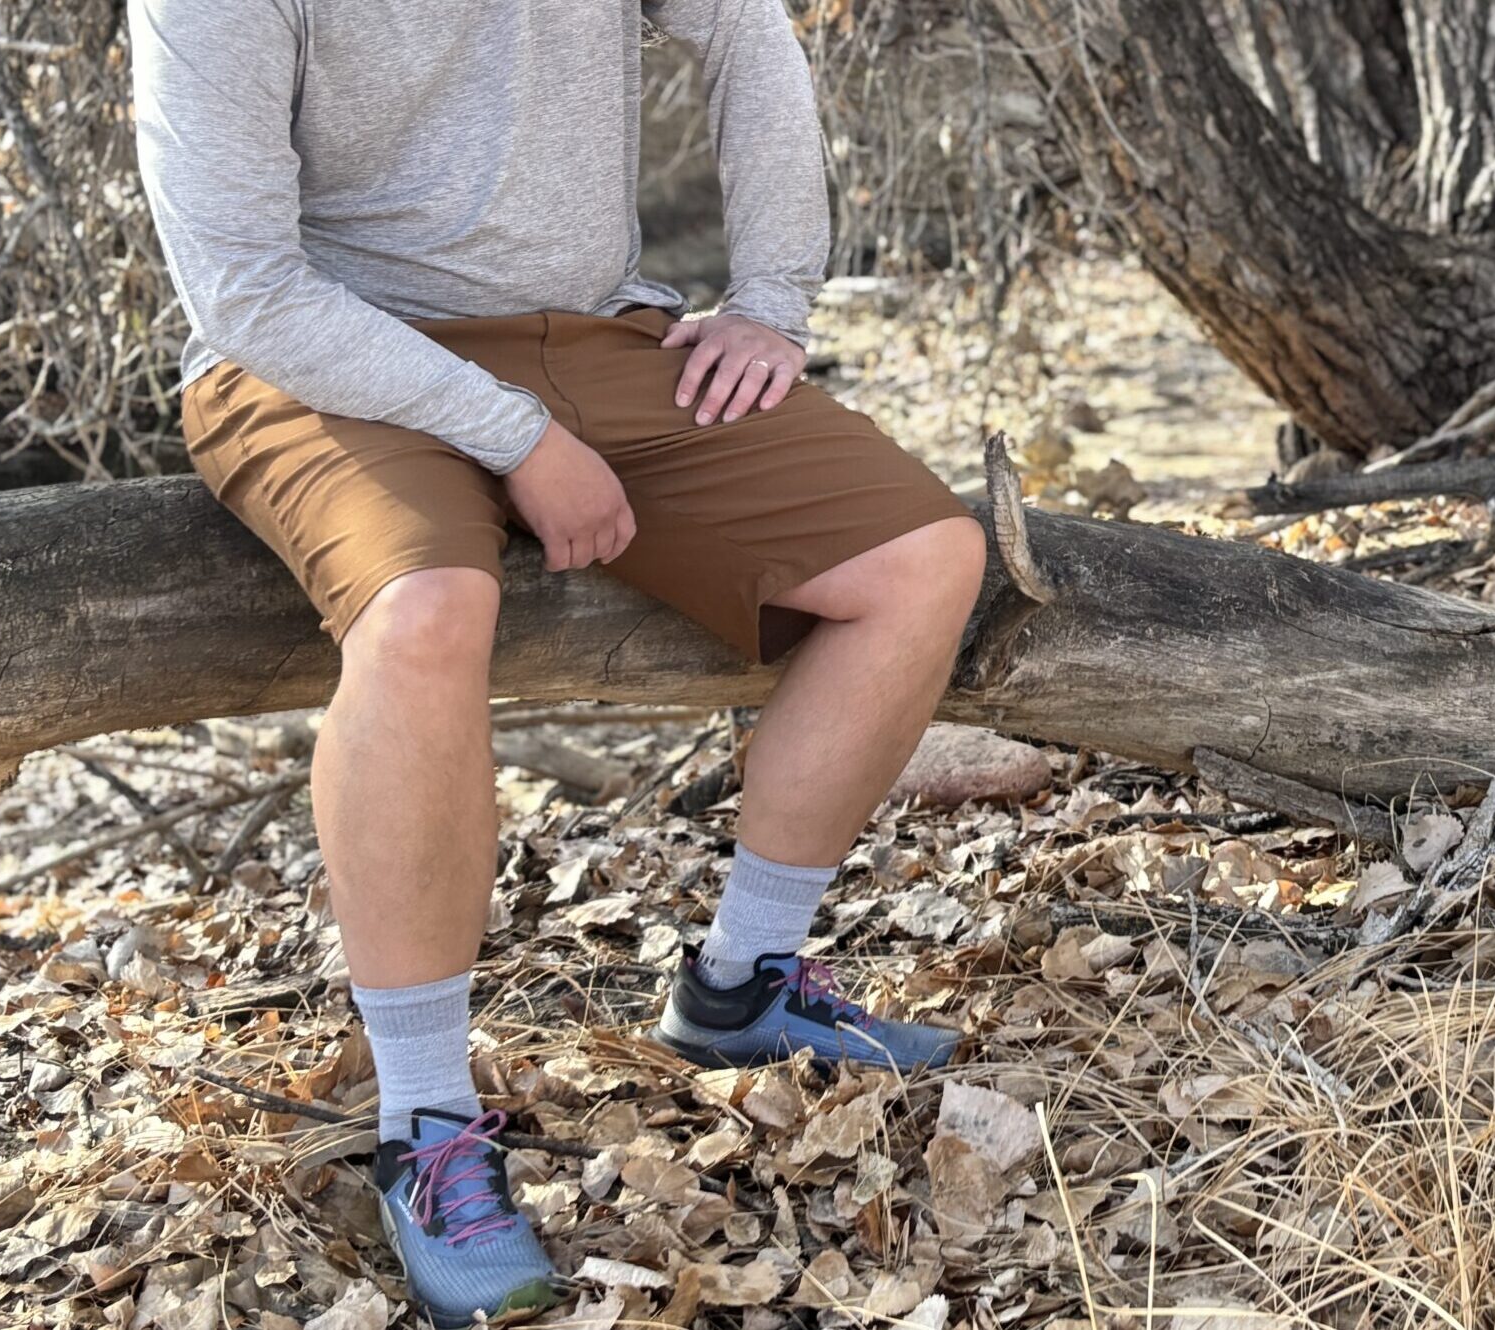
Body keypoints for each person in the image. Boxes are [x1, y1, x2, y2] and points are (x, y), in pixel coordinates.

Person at [127, 0, 987, 1322]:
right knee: (422, 611)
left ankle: (743, 981)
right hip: (318, 360)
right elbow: (245, 288)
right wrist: (514, 439)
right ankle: (425, 1127)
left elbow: (747, 33)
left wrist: (769, 299)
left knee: (922, 563)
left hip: (596, 338)